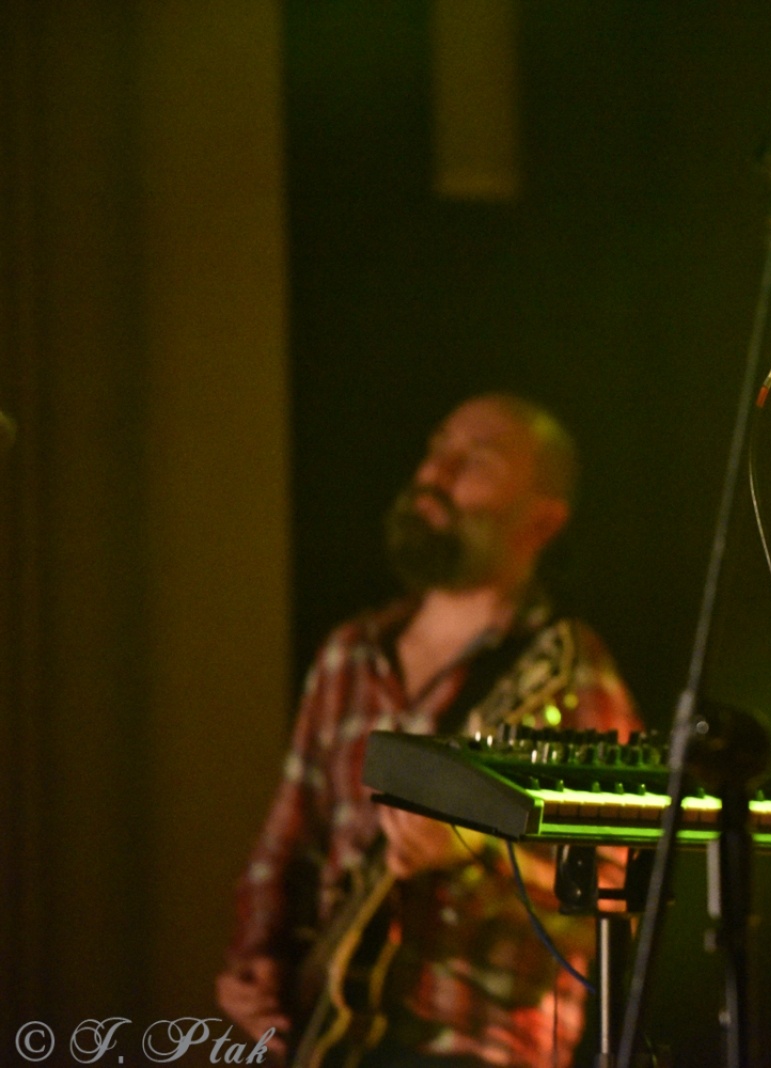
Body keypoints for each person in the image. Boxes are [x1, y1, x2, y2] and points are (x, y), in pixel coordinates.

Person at [218, 394, 638, 1068]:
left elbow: (621, 885)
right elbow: (285, 843)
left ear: (542, 519)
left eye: (477, 460)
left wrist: (475, 846)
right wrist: (256, 963)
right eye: (438, 447)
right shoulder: (349, 654)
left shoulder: (566, 669)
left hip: (477, 1040)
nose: (435, 473)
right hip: (327, 1033)